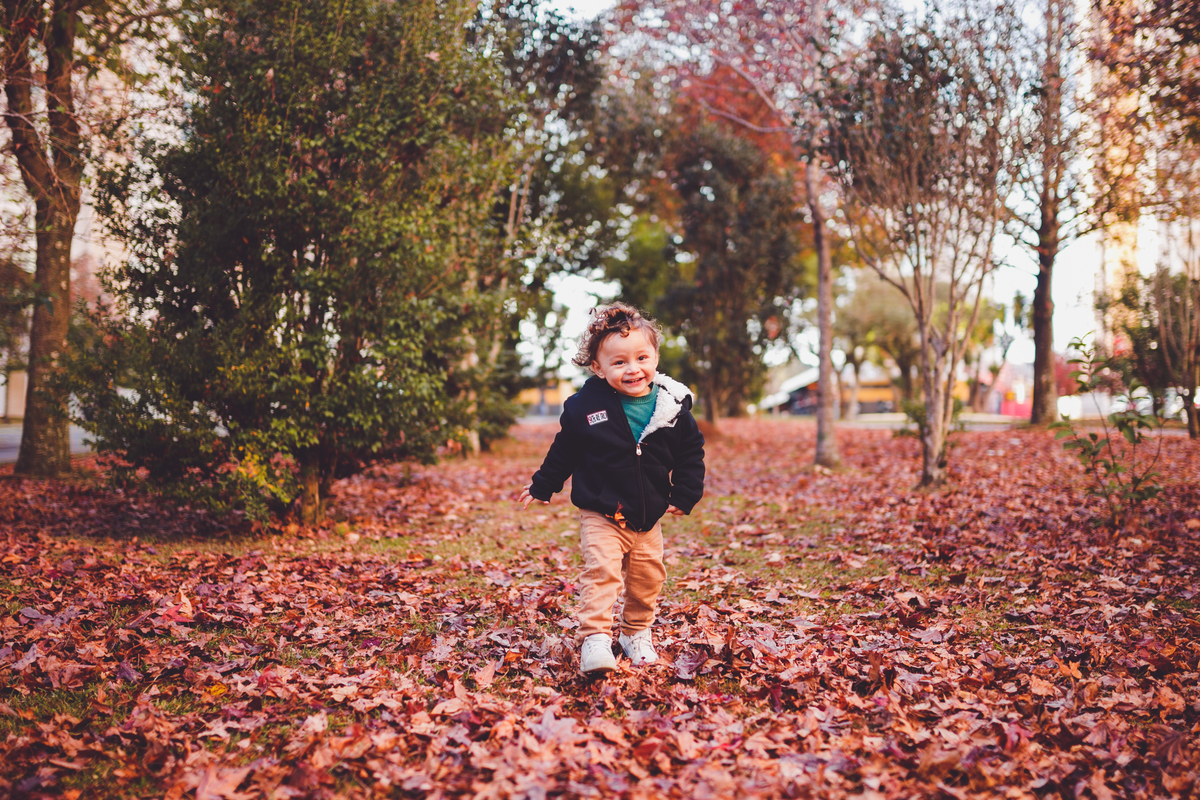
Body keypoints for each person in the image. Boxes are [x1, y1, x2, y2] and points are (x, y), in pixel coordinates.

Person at [517, 303, 706, 675]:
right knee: (602, 571)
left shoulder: (673, 406)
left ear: (655, 357)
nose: (633, 369)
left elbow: (690, 453)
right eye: (619, 363)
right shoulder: (585, 407)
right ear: (598, 368)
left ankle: (635, 633)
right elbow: (565, 450)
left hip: (649, 514)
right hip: (602, 510)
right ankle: (596, 639)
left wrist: (685, 493)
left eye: (641, 357)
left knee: (648, 577)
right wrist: (544, 485)